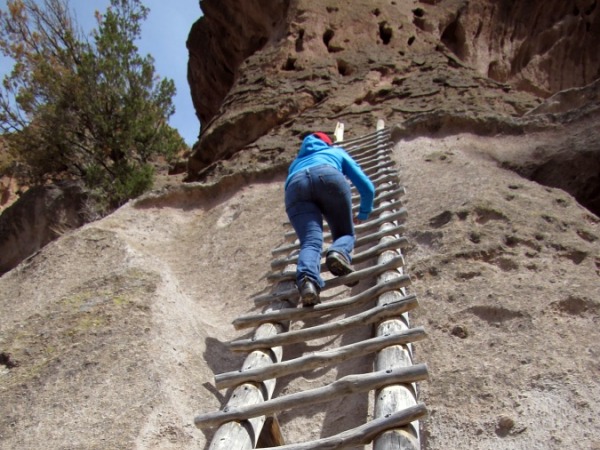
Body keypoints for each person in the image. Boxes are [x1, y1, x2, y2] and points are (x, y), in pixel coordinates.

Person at [284, 132, 375, 306]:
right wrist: (363, 212)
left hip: (295, 187)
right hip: (328, 176)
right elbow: (367, 188)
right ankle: (338, 252)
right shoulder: (336, 152)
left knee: (310, 241)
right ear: (327, 144)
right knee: (344, 233)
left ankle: (307, 282)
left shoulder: (295, 163)